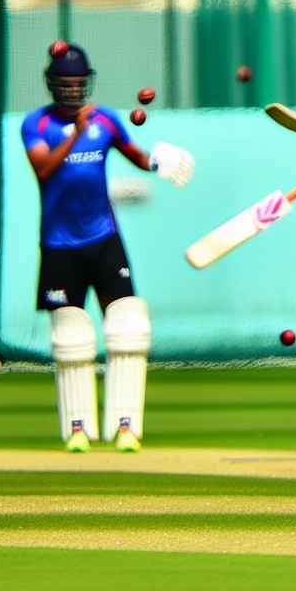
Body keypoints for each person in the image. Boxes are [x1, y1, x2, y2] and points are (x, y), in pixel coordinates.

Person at [23, 43, 194, 453]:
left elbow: (134, 155)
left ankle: (125, 426)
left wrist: (158, 162)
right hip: (60, 244)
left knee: (128, 323)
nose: (73, 90)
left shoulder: (106, 120)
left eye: (78, 83)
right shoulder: (36, 124)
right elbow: (44, 169)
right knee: (70, 331)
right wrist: (77, 133)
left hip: (103, 237)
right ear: (52, 84)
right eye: (65, 83)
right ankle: (77, 429)